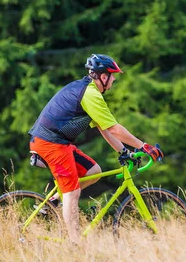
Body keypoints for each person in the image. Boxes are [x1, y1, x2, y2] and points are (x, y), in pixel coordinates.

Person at [28, 54, 163, 244]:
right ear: (103, 76)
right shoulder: (90, 94)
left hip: (58, 143)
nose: (114, 79)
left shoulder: (88, 91)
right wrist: (143, 146)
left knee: (94, 172)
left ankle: (53, 201)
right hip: (51, 144)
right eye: (112, 75)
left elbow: (104, 128)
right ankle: (76, 244)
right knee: (72, 192)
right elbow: (114, 128)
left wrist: (124, 152)